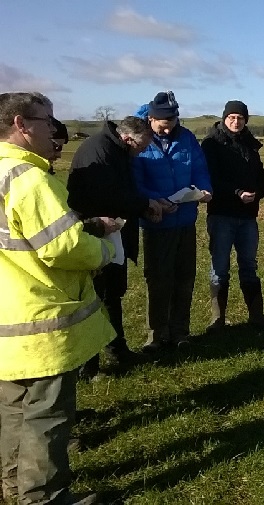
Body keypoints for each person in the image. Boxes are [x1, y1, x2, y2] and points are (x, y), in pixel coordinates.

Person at [0, 92, 115, 504]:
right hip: (40, 320)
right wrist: (102, 251)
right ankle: (44, 497)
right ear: (21, 124)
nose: (54, 128)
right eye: (47, 120)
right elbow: (64, 247)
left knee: (13, 411)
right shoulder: (30, 179)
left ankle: (14, 486)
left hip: (6, 323)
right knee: (47, 415)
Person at [67, 115, 161, 377]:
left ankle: (117, 349)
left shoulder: (118, 151)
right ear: (129, 139)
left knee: (112, 296)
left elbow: (123, 191)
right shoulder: (99, 150)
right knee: (95, 298)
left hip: (114, 233)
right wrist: (144, 204)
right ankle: (89, 365)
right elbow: (107, 194)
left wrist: (143, 206)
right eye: (141, 147)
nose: (141, 152)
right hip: (95, 234)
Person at [132, 91, 212, 353]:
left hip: (186, 219)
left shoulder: (187, 138)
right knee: (158, 279)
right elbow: (135, 182)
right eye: (161, 127)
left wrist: (204, 189)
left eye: (171, 125)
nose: (166, 131)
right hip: (157, 222)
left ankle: (180, 332)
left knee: (184, 277)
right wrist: (156, 200)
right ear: (151, 120)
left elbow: (199, 168)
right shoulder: (140, 140)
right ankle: (156, 334)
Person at [201, 100, 264, 331]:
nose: (236, 121)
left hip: (247, 216)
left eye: (240, 118)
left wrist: (258, 193)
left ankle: (256, 315)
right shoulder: (211, 144)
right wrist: (237, 192)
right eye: (231, 117)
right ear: (224, 118)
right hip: (222, 213)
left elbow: (260, 176)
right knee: (220, 267)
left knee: (249, 265)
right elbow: (211, 178)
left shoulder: (250, 144)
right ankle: (217, 318)